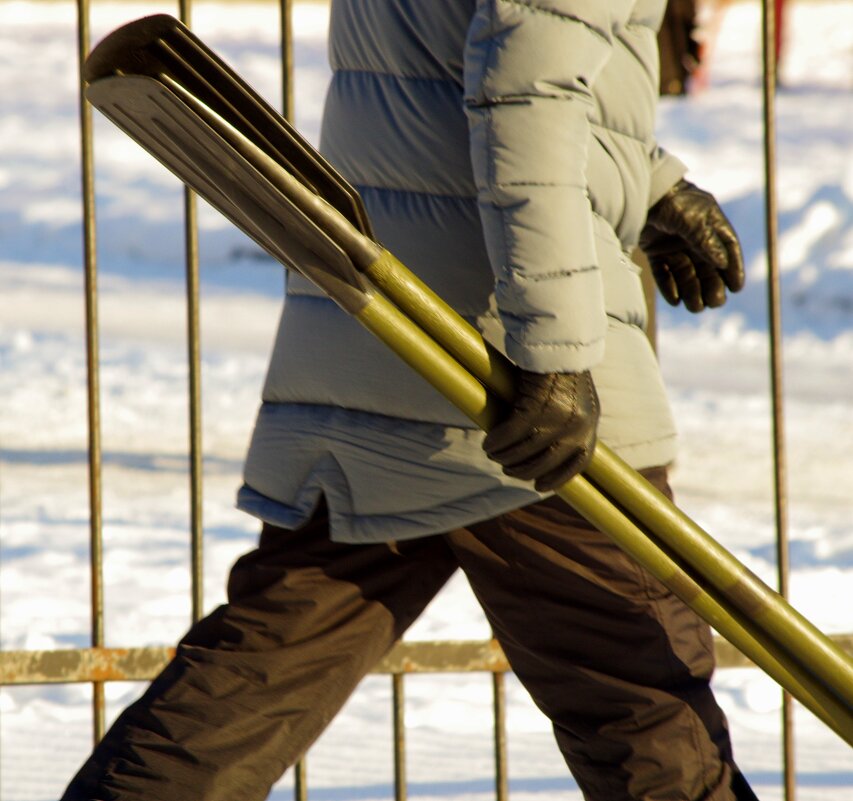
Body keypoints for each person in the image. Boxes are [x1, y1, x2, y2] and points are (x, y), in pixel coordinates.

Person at [62, 1, 753, 799]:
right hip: (500, 355)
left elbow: (459, 57)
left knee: (253, 679)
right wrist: (553, 353)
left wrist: (648, 182)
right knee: (646, 704)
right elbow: (526, 92)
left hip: (383, 328)